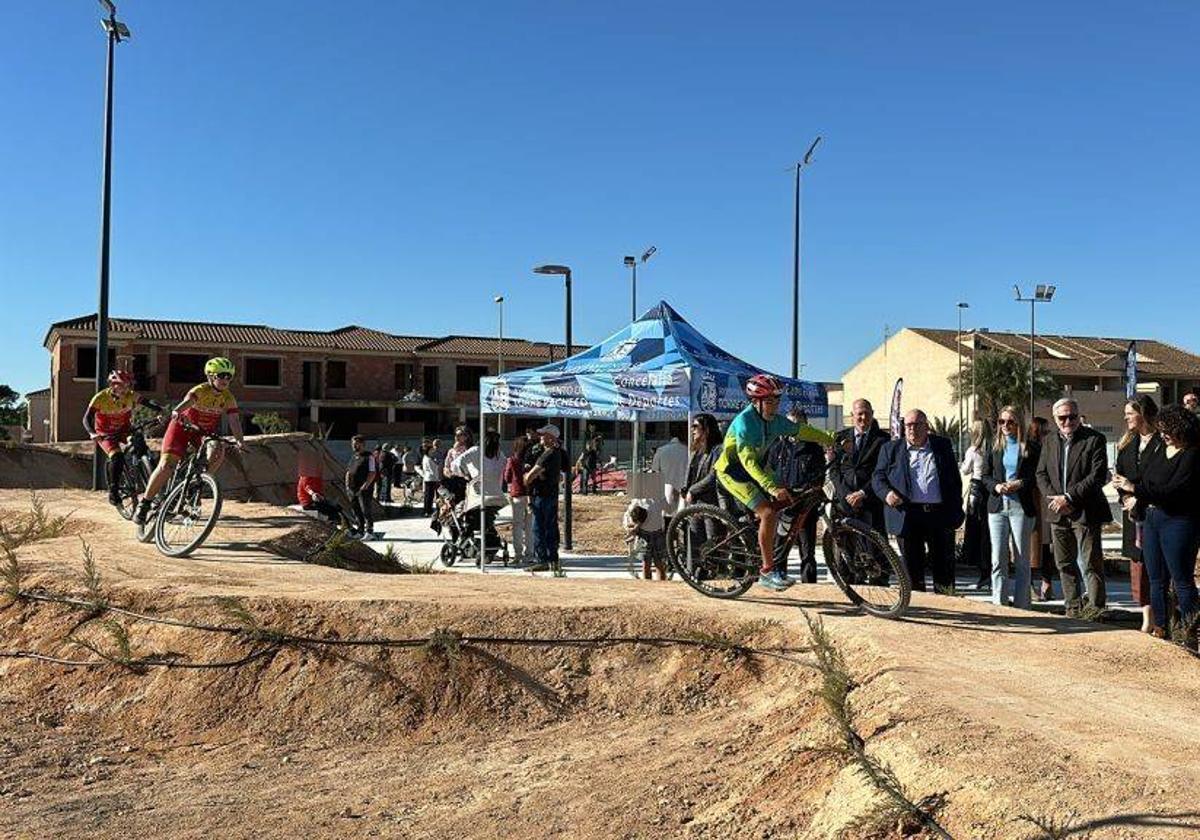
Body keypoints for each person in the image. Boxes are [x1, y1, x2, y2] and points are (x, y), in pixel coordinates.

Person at [713, 374, 834, 591]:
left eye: (777, 401)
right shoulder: (744, 424)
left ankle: (771, 549)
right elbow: (748, 461)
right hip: (734, 472)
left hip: (757, 470)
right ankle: (767, 572)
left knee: (790, 498)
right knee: (768, 513)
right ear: (755, 402)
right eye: (769, 402)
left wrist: (830, 438)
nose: (774, 406)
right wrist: (770, 487)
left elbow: (803, 431)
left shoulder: (775, 421)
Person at [1112, 404, 1200, 642]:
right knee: (1156, 579)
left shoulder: (1192, 455)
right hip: (1153, 519)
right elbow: (1148, 479)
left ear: (1182, 428)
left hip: (1179, 521)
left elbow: (1174, 491)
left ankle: (1190, 632)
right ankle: (1161, 629)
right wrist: (1127, 484)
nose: (1164, 434)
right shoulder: (1162, 448)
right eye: (1161, 429)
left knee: (1181, 580)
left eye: (1168, 429)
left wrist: (1136, 489)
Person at [134, 357, 245, 527]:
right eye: (222, 375)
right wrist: (177, 411)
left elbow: (235, 420)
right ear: (210, 376)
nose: (225, 380)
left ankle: (196, 484)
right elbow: (187, 403)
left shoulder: (228, 398)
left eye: (229, 376)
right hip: (182, 428)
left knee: (218, 450)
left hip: (202, 432)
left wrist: (240, 441)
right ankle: (145, 503)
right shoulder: (200, 390)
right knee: (166, 466)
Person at [872, 409, 964, 593]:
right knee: (912, 570)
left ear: (927, 427)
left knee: (944, 568)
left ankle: (948, 606)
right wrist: (887, 494)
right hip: (908, 516)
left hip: (939, 516)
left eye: (917, 424)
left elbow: (954, 481)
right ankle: (919, 609)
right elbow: (878, 477)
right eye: (908, 425)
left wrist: (956, 509)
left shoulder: (942, 446)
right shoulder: (891, 449)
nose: (912, 429)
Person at [1035, 397, 1111, 616]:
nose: (1068, 421)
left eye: (1072, 416)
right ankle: (1073, 610)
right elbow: (1041, 473)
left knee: (1090, 564)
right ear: (1055, 419)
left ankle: (1095, 611)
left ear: (1079, 416)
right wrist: (1056, 499)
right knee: (1064, 564)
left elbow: (1096, 476)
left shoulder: (1095, 439)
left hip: (1085, 511)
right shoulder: (1049, 441)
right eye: (1062, 417)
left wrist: (1068, 498)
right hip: (1057, 512)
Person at [1112, 395, 1162, 633]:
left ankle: (1162, 618)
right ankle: (1146, 617)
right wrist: (1125, 497)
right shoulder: (1127, 445)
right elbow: (1120, 477)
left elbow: (1164, 481)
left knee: (1158, 568)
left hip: (1157, 513)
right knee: (1139, 567)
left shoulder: (1164, 443)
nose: (1126, 417)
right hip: (1133, 516)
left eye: (1130, 413)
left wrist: (1138, 496)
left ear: (1143, 413)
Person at [982, 406, 1039, 608]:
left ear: (1018, 424)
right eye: (1001, 421)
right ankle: (999, 603)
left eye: (1010, 422)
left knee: (1022, 559)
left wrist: (1020, 483)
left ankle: (1023, 605)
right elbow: (985, 476)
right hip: (997, 507)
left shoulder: (1030, 447)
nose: (1005, 425)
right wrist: (996, 486)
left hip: (1020, 507)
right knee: (997, 558)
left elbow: (1036, 477)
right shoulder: (993, 446)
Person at [82, 369, 162, 507]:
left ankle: (144, 466)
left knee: (140, 443)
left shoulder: (131, 395)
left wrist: (160, 411)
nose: (127, 388)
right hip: (106, 434)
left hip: (124, 430)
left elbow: (148, 403)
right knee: (117, 457)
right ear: (113, 385)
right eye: (123, 385)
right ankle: (114, 491)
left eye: (128, 385)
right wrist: (92, 433)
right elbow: (86, 418)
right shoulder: (100, 398)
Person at [766, 411, 826, 584]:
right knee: (780, 548)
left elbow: (818, 477)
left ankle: (810, 586)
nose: (794, 429)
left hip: (806, 509)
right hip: (784, 507)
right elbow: (769, 473)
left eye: (798, 424)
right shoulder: (778, 447)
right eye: (791, 424)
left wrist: (806, 493)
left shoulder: (814, 448)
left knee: (807, 552)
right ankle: (779, 580)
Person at [831, 399, 889, 534]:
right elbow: (834, 469)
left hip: (871, 502)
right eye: (860, 414)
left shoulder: (884, 440)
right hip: (845, 503)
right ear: (853, 415)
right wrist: (846, 495)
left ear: (872, 414)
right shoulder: (840, 437)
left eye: (867, 414)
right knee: (848, 548)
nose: (863, 417)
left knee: (876, 549)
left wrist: (863, 493)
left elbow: (883, 471)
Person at [524, 423, 569, 573]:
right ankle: (553, 559)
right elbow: (566, 468)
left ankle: (542, 560)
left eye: (544, 435)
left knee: (539, 529)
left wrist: (528, 476)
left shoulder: (547, 454)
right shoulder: (558, 453)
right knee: (551, 528)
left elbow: (529, 477)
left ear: (551, 438)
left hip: (541, 496)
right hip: (552, 495)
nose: (540, 437)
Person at [960, 419, 993, 590]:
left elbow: (965, 470)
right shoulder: (994, 449)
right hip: (991, 490)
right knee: (988, 533)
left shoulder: (973, 451)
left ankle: (982, 571)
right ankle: (989, 572)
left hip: (977, 490)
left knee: (976, 531)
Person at [1026, 417, 1056, 601]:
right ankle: (1030, 585)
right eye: (1044, 432)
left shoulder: (1050, 448)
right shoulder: (1030, 450)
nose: (1047, 435)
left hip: (1046, 500)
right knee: (1031, 544)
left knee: (1046, 545)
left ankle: (1047, 583)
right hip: (1032, 500)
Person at [503, 435, 534, 564]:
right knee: (529, 527)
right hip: (531, 495)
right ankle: (530, 553)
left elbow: (507, 477)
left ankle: (518, 554)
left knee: (517, 526)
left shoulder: (513, 460)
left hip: (517, 494)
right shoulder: (533, 460)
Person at [684, 413, 723, 507]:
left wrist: (692, 490)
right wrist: (685, 490)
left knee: (710, 522)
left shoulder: (718, 450)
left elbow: (714, 475)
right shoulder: (696, 451)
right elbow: (689, 474)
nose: (692, 430)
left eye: (695, 426)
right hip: (695, 503)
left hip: (711, 504)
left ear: (706, 429)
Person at [651, 431, 690, 516]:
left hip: (666, 488)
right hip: (683, 489)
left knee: (666, 516)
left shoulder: (661, 450)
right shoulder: (688, 451)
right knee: (681, 517)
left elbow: (654, 471)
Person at [345, 434, 376, 537]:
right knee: (356, 510)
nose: (354, 446)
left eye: (356, 444)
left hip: (364, 489)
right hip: (352, 488)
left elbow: (372, 472)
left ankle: (369, 531)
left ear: (362, 444)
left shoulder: (369, 457)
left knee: (365, 510)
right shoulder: (354, 456)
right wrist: (347, 485)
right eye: (353, 444)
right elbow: (349, 471)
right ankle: (360, 530)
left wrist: (365, 485)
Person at [442, 427, 473, 506]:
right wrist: (448, 473)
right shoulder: (451, 451)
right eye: (456, 435)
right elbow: (446, 466)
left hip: (468, 481)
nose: (457, 437)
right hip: (454, 481)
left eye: (460, 435)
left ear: (466, 436)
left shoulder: (471, 450)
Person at [420, 441, 440, 516]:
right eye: (431, 450)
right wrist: (438, 479)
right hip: (431, 479)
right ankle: (428, 510)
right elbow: (432, 470)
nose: (433, 451)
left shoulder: (428, 458)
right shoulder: (428, 459)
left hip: (429, 478)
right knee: (429, 496)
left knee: (428, 495)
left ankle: (427, 510)